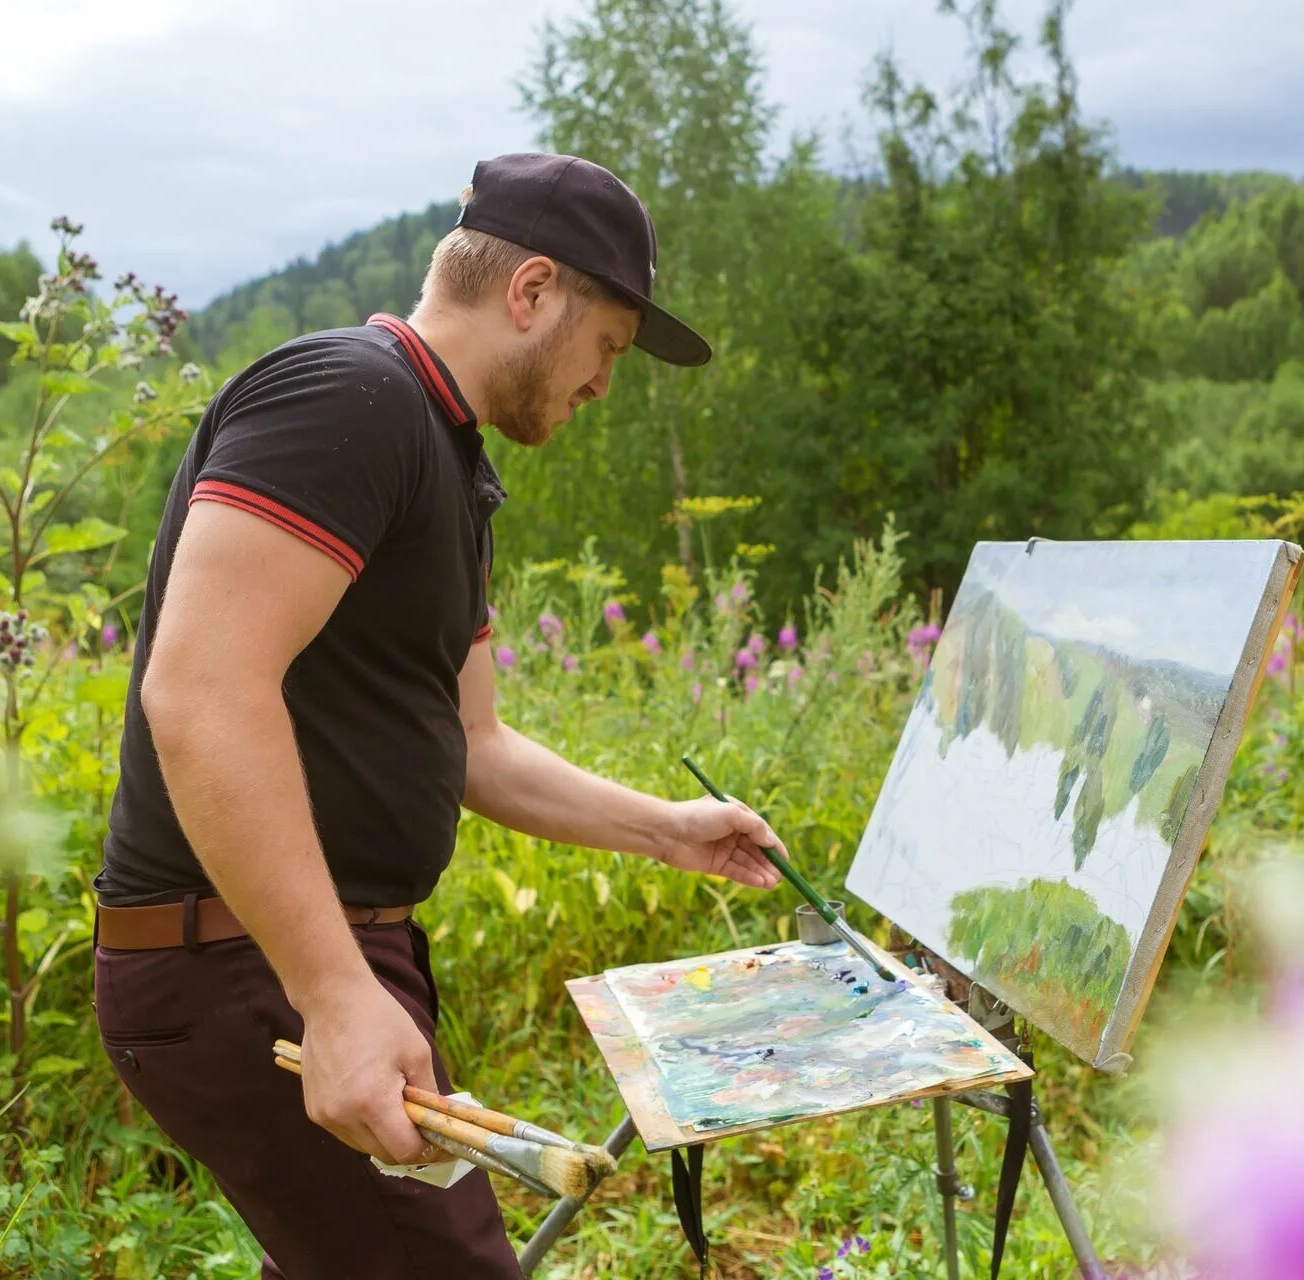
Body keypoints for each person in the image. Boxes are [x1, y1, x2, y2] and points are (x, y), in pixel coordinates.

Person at [90, 152, 786, 1278]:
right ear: (532, 292)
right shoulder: (347, 400)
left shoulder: (446, 463)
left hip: (305, 954)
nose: (606, 383)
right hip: (241, 957)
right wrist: (333, 996)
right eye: (606, 343)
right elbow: (202, 689)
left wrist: (668, 827)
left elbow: (475, 746)